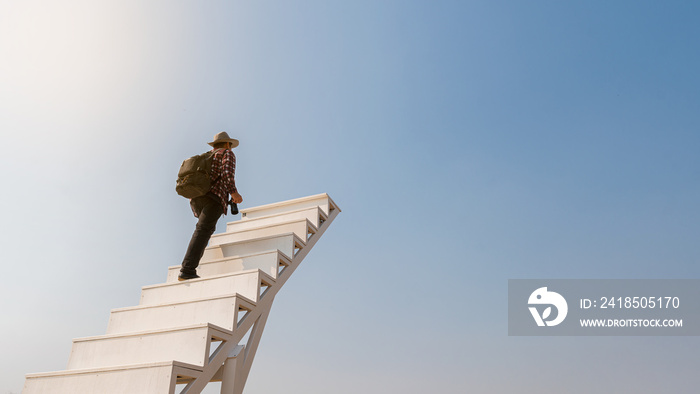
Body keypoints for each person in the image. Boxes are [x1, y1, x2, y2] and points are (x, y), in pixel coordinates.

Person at [179, 131, 243, 281]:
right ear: (227, 144)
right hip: (214, 197)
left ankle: (188, 268)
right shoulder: (226, 153)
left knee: (202, 231)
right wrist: (234, 194)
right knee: (203, 232)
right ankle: (187, 270)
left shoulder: (206, 156)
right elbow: (227, 174)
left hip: (196, 199)